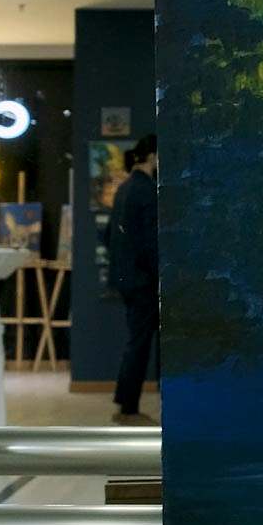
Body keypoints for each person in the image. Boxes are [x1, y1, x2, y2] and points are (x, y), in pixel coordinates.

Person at [107, 133, 159, 425]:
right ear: (152, 156)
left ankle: (126, 403)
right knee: (139, 344)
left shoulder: (125, 188)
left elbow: (109, 235)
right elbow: (150, 242)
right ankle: (128, 407)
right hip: (143, 281)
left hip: (126, 278)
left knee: (135, 341)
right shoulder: (147, 191)